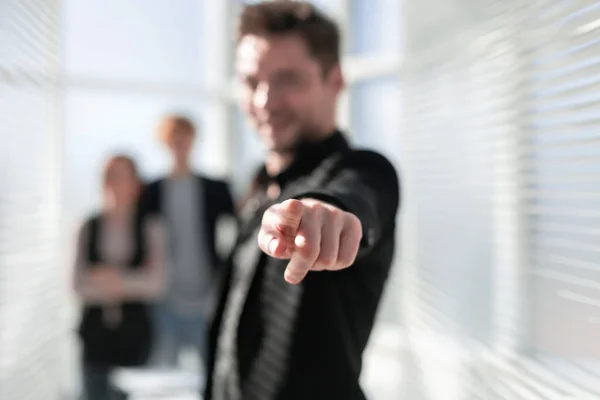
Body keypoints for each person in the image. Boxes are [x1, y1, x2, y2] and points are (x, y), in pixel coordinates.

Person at [205, 2, 401, 400]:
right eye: (250, 81)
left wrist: (327, 211)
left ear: (335, 80)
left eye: (287, 80)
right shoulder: (259, 188)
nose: (264, 101)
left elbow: (357, 196)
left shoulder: (361, 169)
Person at [140, 114, 236, 370]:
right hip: (164, 299)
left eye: (185, 137)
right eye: (174, 138)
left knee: (214, 372)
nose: (180, 144)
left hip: (207, 298)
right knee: (163, 373)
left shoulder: (215, 188)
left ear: (193, 141)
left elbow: (241, 224)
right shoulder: (151, 192)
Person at [73, 154, 166, 400]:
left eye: (122, 177)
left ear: (137, 185)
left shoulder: (151, 227)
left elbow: (156, 285)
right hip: (94, 341)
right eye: (110, 176)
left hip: (136, 339)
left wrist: (108, 278)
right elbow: (77, 286)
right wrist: (133, 281)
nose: (114, 183)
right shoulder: (86, 226)